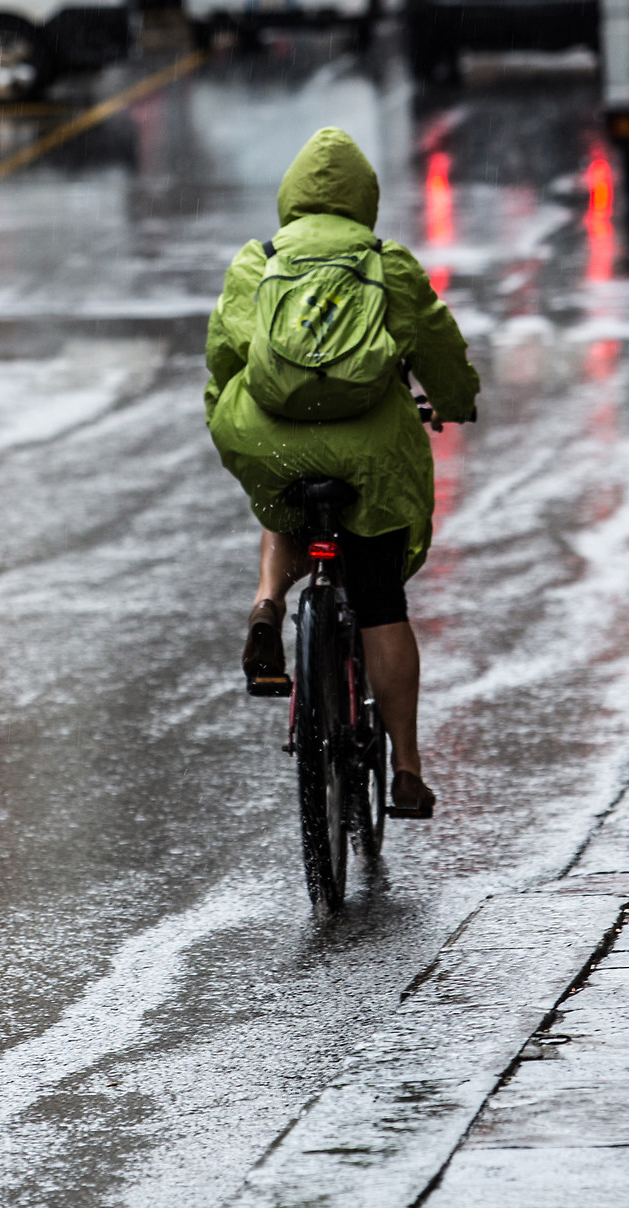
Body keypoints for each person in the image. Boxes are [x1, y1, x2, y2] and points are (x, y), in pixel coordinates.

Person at [204, 127, 479, 819]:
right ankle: (407, 769)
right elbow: (437, 345)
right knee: (381, 605)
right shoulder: (386, 263)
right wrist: (454, 402)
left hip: (276, 441)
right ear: (365, 199)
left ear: (291, 195)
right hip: (370, 449)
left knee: (282, 501)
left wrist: (229, 422)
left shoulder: (259, 260)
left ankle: (269, 602)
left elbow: (225, 359)